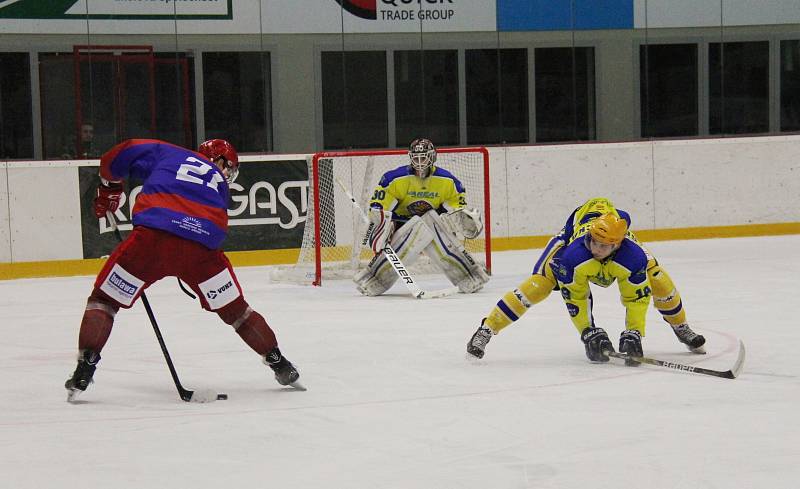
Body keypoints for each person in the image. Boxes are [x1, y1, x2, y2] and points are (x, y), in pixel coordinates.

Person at [65, 138, 301, 401]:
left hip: (152, 241)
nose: (228, 174)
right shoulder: (220, 184)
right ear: (219, 160)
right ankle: (280, 363)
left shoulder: (170, 154)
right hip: (201, 250)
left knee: (104, 302)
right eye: (229, 167)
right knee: (239, 313)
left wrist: (110, 187)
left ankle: (85, 368)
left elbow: (121, 152)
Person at [466, 197, 706, 363]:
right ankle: (487, 328)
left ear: (616, 244)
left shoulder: (632, 256)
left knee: (659, 279)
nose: (595, 249)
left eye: (603, 246)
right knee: (539, 283)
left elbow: (636, 298)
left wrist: (634, 331)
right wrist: (588, 332)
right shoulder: (574, 255)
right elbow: (577, 299)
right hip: (568, 238)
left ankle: (680, 326)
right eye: (593, 241)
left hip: (625, 253)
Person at [353, 138, 490, 296]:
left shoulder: (448, 182)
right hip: (401, 225)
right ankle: (372, 279)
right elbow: (378, 208)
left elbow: (456, 213)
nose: (419, 162)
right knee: (405, 244)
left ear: (432, 157)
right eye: (416, 158)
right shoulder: (394, 179)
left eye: (423, 157)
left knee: (431, 224)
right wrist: (382, 226)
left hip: (432, 225)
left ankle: (470, 275)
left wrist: (465, 221)